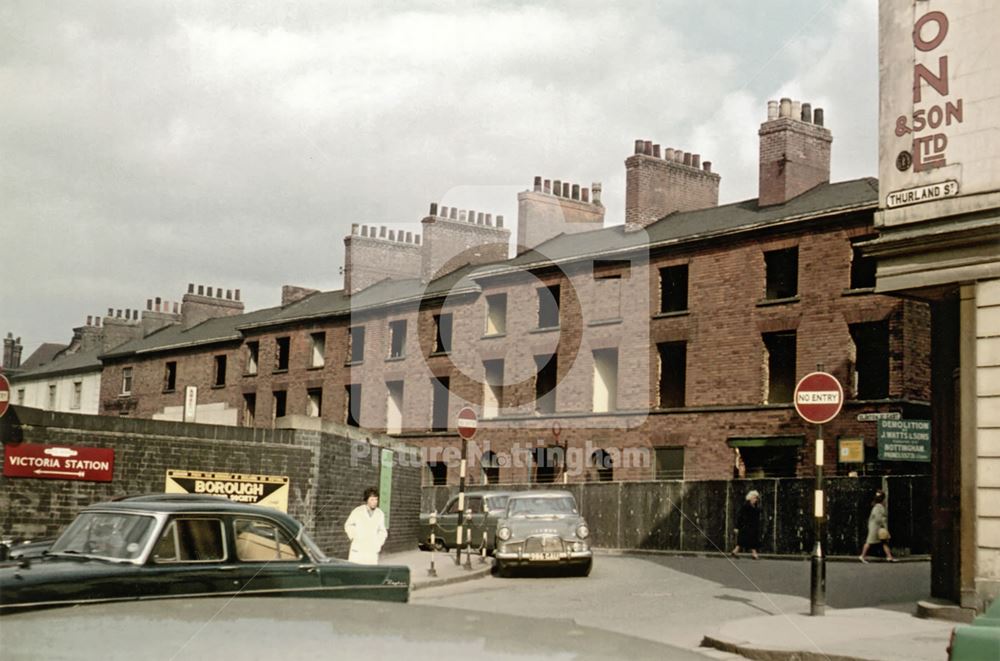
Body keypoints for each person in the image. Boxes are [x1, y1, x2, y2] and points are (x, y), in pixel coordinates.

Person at [344, 487, 387, 565]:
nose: (375, 502)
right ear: (367, 500)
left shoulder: (380, 514)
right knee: (356, 573)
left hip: (371, 550)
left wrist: (378, 543)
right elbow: (348, 525)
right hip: (358, 550)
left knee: (370, 574)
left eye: (376, 499)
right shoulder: (357, 511)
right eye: (372, 500)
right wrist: (354, 536)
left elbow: (382, 531)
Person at [859, 489, 896, 563]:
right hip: (876, 528)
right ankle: (862, 556)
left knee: (883, 542)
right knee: (870, 542)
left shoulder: (876, 506)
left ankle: (889, 556)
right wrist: (885, 527)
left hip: (874, 527)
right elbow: (880, 519)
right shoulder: (880, 507)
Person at [732, 490, 762, 560]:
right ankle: (754, 554)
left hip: (752, 526)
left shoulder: (755, 506)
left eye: (756, 498)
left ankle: (735, 551)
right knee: (749, 540)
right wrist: (737, 527)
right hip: (746, 526)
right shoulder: (746, 506)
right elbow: (740, 516)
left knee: (746, 540)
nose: (756, 499)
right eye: (754, 498)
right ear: (750, 498)